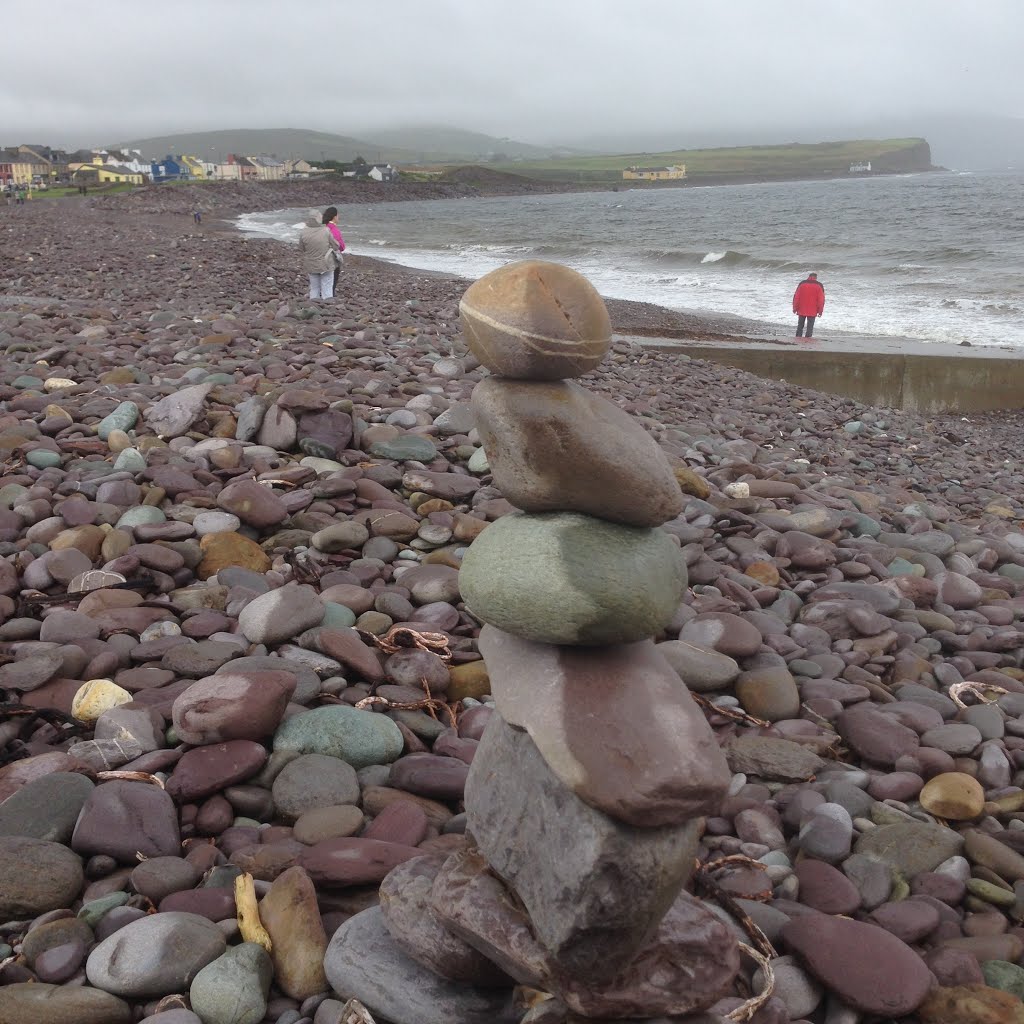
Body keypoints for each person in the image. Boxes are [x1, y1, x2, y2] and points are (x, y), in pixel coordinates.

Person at [298, 209, 340, 300]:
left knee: (314, 288)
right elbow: (336, 246)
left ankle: (314, 306)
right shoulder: (326, 231)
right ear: (319, 219)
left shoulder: (303, 232)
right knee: (327, 287)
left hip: (311, 264)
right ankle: (327, 308)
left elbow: (301, 248)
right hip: (326, 264)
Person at [792, 272, 825, 338]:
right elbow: (821, 300)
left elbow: (796, 297)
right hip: (813, 310)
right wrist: (820, 311)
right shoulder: (819, 285)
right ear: (816, 277)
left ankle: (798, 339)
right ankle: (808, 340)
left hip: (801, 308)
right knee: (810, 327)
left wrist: (795, 308)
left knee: (800, 325)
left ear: (809, 276)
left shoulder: (802, 284)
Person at [322, 206, 346, 296]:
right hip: (331, 257)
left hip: (318, 255)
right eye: (337, 215)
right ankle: (330, 295)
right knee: (332, 277)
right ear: (334, 217)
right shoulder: (334, 229)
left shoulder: (322, 227)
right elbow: (341, 247)